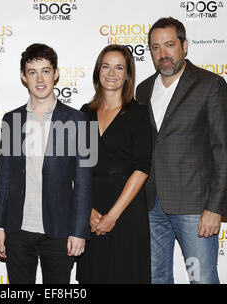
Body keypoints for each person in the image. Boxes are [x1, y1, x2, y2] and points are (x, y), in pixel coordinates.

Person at [135, 17, 227, 284]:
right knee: (155, 278)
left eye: (169, 45)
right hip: (150, 205)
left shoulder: (210, 85)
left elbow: (224, 151)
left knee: (201, 279)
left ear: (185, 46)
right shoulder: (143, 89)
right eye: (155, 47)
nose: (163, 54)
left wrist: (215, 208)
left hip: (195, 208)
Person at [0, 43, 92, 284]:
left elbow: (85, 183)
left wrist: (79, 231)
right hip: (18, 229)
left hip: (59, 230)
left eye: (45, 71)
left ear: (56, 74)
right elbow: (3, 177)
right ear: (23, 77)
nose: (40, 78)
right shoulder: (11, 119)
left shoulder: (81, 120)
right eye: (32, 72)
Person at [76, 44, 152, 283]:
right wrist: (86, 210)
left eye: (119, 67)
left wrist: (113, 216)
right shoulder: (84, 113)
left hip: (126, 209)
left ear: (128, 74)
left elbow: (142, 168)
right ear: (98, 71)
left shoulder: (139, 113)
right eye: (106, 66)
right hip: (91, 208)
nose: (111, 73)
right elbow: (76, 168)